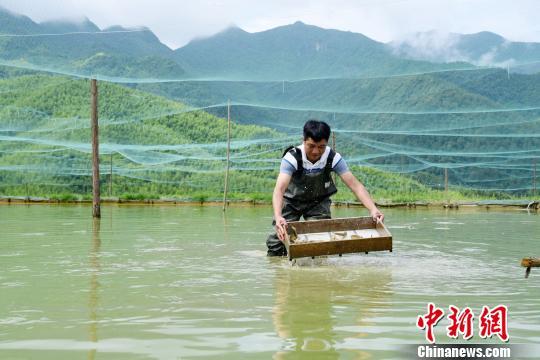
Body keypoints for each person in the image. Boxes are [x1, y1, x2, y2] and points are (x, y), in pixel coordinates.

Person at [266, 119, 384, 256]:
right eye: (311, 146)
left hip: (318, 203)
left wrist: (373, 209)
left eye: (321, 146)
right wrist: (278, 216)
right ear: (303, 140)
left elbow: (355, 185)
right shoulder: (292, 157)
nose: (316, 151)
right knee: (277, 241)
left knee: (320, 240)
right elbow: (279, 190)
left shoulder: (333, 158)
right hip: (291, 202)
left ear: (326, 143)